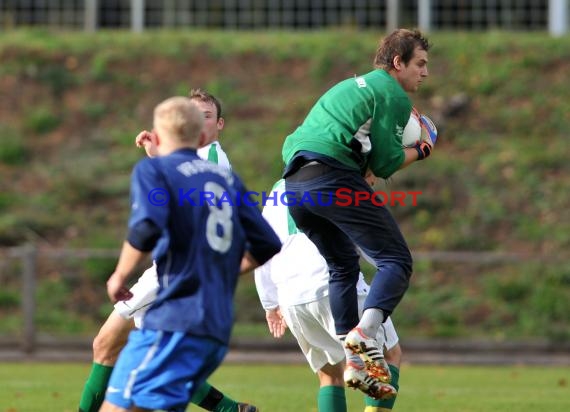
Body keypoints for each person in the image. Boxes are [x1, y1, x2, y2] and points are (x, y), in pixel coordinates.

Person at [78, 90, 260, 412]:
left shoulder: (212, 160)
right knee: (150, 358)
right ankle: (230, 409)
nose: (197, 121)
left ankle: (228, 409)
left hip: (175, 273)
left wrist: (120, 273)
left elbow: (156, 216)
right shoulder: (206, 163)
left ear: (218, 124)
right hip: (178, 273)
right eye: (193, 115)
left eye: (206, 115)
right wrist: (157, 152)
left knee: (109, 346)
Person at [281, 28, 436, 394]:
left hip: (295, 185)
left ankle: (353, 361)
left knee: (342, 266)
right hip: (331, 179)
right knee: (395, 260)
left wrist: (358, 165)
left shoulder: (346, 87)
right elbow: (386, 163)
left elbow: (313, 141)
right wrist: (425, 147)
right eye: (420, 64)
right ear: (398, 63)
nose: (425, 73)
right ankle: (364, 336)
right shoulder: (392, 94)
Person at [254, 178, 402, 411]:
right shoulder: (334, 176)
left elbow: (261, 246)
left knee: (329, 375)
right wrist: (392, 269)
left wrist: (270, 302)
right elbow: (366, 237)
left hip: (291, 296)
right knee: (388, 355)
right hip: (334, 285)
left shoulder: (276, 189)